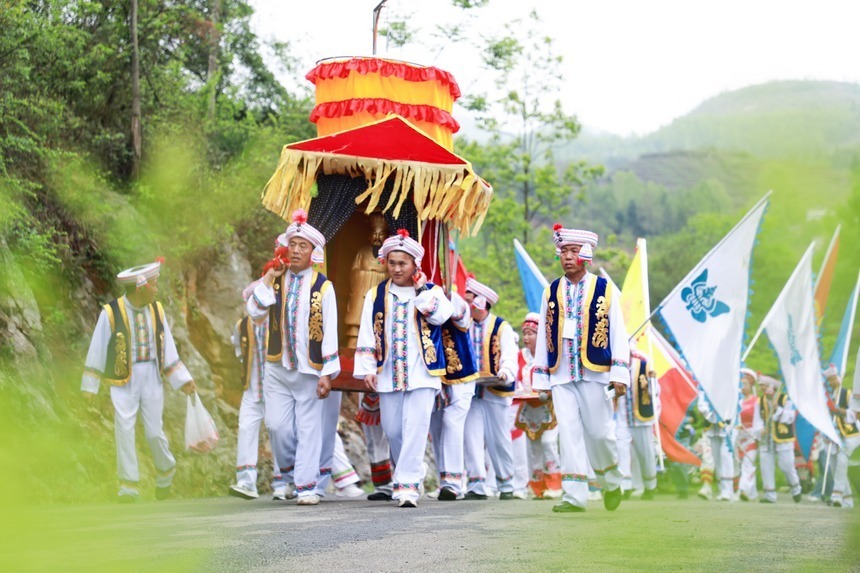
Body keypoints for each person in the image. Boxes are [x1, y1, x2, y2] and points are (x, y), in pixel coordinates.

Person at [353, 229, 455, 508]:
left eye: (403, 263)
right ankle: (414, 473)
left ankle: (407, 486)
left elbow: (442, 317)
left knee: (416, 427)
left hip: (422, 371)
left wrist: (422, 290)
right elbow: (366, 332)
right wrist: (368, 368)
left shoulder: (431, 291)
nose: (397, 268)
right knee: (393, 429)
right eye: (392, 262)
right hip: (387, 371)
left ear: (415, 265)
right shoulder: (376, 294)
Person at [532, 225, 630, 513]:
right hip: (561, 372)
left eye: (574, 251)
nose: (568, 257)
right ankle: (574, 496)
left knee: (600, 433)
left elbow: (618, 333)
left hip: (595, 371)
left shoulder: (604, 288)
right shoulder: (551, 290)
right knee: (568, 433)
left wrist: (619, 373)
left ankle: (611, 481)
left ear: (586, 255)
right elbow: (543, 334)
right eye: (564, 251)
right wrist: (541, 378)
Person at [246, 209, 340, 506]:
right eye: (293, 244)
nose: (297, 250)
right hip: (277, 367)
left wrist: (327, 371)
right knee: (277, 426)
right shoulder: (274, 280)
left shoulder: (324, 286)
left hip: (310, 370)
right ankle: (287, 473)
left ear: (313, 252)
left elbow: (331, 331)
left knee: (309, 428)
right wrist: (267, 277)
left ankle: (306, 485)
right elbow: (254, 313)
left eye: (303, 246)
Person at [82, 260, 196, 502]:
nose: (156, 289)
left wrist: (183, 379)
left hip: (152, 377)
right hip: (122, 381)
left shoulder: (157, 310)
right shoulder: (110, 312)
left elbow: (169, 349)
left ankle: (166, 471)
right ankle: (128, 487)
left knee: (154, 432)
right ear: (140, 287)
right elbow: (97, 348)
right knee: (123, 429)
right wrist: (89, 386)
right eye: (153, 285)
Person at [228, 282, 288, 500]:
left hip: (277, 391)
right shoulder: (242, 326)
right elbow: (238, 349)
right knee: (245, 428)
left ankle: (282, 484)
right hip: (252, 390)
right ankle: (246, 482)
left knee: (279, 434)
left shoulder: (278, 323)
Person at [462, 276, 519, 500]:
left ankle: (506, 485)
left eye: (468, 301)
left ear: (480, 302)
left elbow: (510, 354)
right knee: (470, 436)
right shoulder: (463, 324)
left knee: (499, 438)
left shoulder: (501, 326)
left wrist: (505, 371)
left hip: (495, 388)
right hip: (470, 389)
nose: (465, 305)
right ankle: (476, 485)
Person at [429, 289, 478, 501]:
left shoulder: (455, 300)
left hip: (461, 376)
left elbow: (460, 316)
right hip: (433, 377)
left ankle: (454, 481)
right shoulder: (419, 296)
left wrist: (445, 295)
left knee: (451, 423)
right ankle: (445, 481)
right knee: (436, 428)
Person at [514, 312, 562, 500]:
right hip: (528, 407)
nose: (526, 338)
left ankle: (555, 484)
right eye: (524, 333)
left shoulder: (549, 355)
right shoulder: (520, 356)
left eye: (530, 333)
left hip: (548, 407)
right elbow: (516, 379)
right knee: (533, 447)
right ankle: (538, 487)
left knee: (548, 442)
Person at [617, 350, 661, 500]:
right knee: (621, 449)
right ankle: (625, 486)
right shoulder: (614, 365)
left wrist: (653, 381)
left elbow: (655, 392)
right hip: (622, 417)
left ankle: (650, 486)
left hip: (640, 418)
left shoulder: (644, 363)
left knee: (646, 452)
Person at [753, 374, 802, 504]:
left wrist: (777, 409)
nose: (761, 388)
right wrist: (760, 430)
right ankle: (770, 494)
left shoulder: (786, 399)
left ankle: (796, 487)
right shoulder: (760, 401)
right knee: (766, 465)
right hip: (767, 438)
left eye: (763, 385)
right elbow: (757, 421)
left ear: (771, 386)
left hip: (783, 438)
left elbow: (790, 418)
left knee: (786, 465)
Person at [825, 364, 859, 508]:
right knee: (833, 465)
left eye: (835, 379)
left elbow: (855, 414)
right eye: (830, 380)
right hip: (833, 435)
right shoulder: (827, 397)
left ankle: (836, 494)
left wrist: (840, 411)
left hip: (849, 434)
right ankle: (847, 499)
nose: (833, 382)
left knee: (842, 461)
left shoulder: (847, 394)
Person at [696, 389, 734, 502]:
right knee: (711, 458)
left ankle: (727, 490)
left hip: (727, 427)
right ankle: (709, 487)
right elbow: (702, 405)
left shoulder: (731, 385)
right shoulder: (706, 387)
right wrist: (710, 413)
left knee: (725, 457)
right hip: (711, 427)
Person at [355, 392, 394, 500]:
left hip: (399, 382)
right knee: (373, 436)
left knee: (397, 433)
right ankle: (384, 485)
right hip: (369, 383)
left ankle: (411, 477)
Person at [735, 368, 760, 501]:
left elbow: (759, 420)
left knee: (748, 462)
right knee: (740, 464)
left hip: (751, 435)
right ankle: (752, 493)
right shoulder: (736, 401)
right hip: (738, 436)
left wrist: (757, 435)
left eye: (745, 384)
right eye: (741, 384)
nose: (743, 387)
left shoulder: (756, 401)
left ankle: (743, 489)